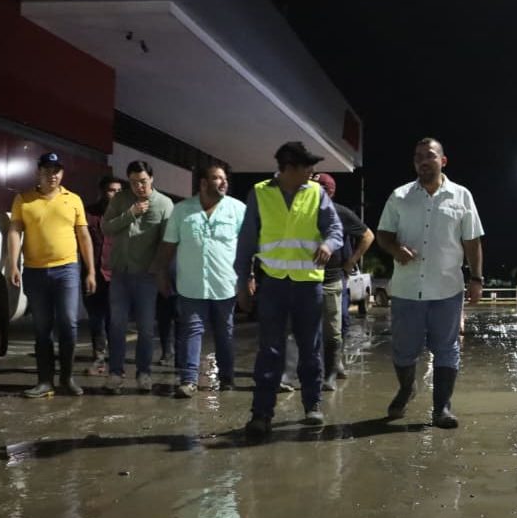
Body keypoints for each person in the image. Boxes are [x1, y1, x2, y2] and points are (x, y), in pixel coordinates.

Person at [376, 138, 484, 429]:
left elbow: (472, 241)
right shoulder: (399, 197)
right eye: (418, 157)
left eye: (430, 156)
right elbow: (383, 234)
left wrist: (476, 278)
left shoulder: (462, 197)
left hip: (447, 288)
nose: (423, 160)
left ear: (443, 161)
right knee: (403, 349)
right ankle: (406, 389)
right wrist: (396, 249)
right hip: (407, 289)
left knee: (446, 348)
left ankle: (442, 408)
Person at [237, 142, 343, 439]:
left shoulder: (316, 193)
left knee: (310, 349)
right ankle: (261, 414)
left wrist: (328, 245)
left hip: (308, 285)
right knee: (270, 350)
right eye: (308, 167)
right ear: (290, 168)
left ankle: (312, 406)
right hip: (273, 284)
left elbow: (335, 230)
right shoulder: (260, 193)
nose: (313, 173)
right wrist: (243, 282)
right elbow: (246, 241)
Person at [7, 152, 97, 398]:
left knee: (68, 324)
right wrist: (12, 264)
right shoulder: (23, 200)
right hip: (35, 272)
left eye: (56, 170)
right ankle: (44, 381)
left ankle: (67, 379)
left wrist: (90, 271)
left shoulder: (73, 200)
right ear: (39, 172)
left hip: (67, 269)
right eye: (47, 170)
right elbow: (14, 232)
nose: (52, 175)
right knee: (42, 327)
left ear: (62, 173)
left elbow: (84, 236)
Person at [152, 164, 245, 398]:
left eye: (225, 178)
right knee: (191, 331)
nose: (223, 182)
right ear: (203, 183)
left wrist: (249, 277)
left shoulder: (237, 209)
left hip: (225, 285)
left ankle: (227, 378)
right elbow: (168, 245)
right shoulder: (182, 211)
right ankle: (189, 380)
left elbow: (246, 248)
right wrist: (161, 273)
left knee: (225, 333)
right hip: (191, 285)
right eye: (217, 178)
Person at [282, 173, 374, 392]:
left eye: (318, 186)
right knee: (296, 330)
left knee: (333, 329)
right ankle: (289, 376)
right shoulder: (299, 211)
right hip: (302, 280)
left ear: (329, 191)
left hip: (332, 280)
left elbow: (368, 235)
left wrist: (351, 262)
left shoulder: (341, 213)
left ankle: (330, 373)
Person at [103, 160, 174, 394]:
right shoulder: (120, 199)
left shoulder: (164, 204)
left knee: (146, 328)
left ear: (151, 179)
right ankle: (116, 373)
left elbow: (167, 242)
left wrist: (159, 271)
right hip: (120, 274)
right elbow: (106, 227)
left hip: (146, 276)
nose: (139, 187)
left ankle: (144, 373)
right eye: (133, 183)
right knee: (117, 325)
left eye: (143, 181)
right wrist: (130, 214)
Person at [84, 175, 122, 376]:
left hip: (117, 276)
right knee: (96, 319)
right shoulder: (89, 214)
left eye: (118, 190)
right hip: (93, 275)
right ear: (102, 192)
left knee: (114, 320)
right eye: (111, 190)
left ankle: (115, 362)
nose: (115, 194)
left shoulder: (125, 215)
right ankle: (99, 359)